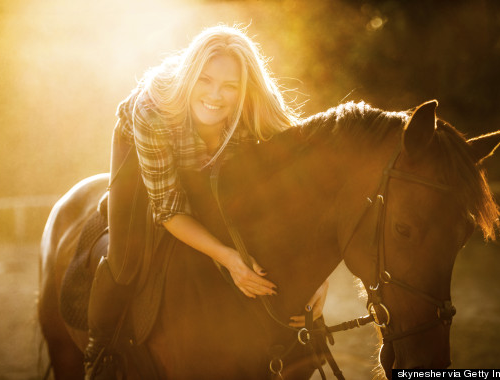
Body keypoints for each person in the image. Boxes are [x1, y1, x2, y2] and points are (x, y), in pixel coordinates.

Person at [84, 24, 329, 379]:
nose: (216, 95)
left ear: (245, 90)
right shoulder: (152, 111)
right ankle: (99, 350)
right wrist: (228, 257)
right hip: (144, 149)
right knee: (126, 258)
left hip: (217, 163)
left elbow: (297, 198)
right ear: (189, 77)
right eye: (205, 80)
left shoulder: (261, 111)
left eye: (230, 86)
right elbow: (168, 208)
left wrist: (316, 277)